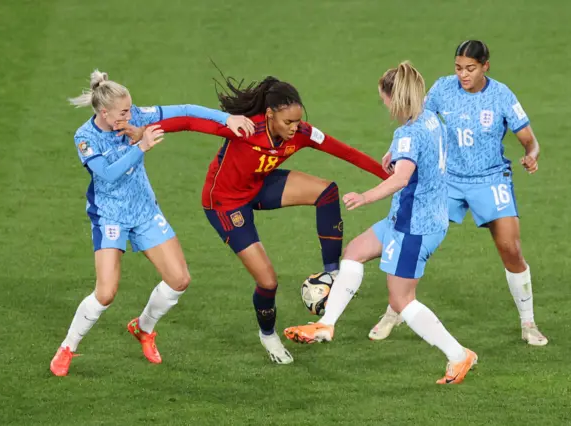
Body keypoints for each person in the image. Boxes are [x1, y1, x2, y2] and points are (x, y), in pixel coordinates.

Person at [120, 75, 390, 364]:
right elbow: (188, 122)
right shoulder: (246, 129)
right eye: (288, 122)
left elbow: (346, 152)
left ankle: (332, 273)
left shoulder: (301, 134)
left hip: (259, 186)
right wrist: (143, 131)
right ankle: (268, 335)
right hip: (224, 203)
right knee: (268, 282)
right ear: (270, 115)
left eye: (298, 121)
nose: (294, 128)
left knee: (327, 192)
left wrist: (392, 179)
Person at [284, 61, 478, 385]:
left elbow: (400, 179)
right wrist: (394, 151)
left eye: (384, 98)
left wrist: (365, 197)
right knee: (355, 252)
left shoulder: (408, 133)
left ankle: (459, 355)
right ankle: (327, 324)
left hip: (414, 228)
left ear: (395, 97)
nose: (384, 104)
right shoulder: (429, 119)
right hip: (412, 218)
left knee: (402, 301)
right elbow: (409, 157)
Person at [49, 70, 254, 376]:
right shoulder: (85, 138)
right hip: (111, 217)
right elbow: (107, 174)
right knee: (105, 293)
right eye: (123, 112)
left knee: (179, 280)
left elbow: (185, 112)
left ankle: (143, 328)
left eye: (130, 109)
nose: (129, 116)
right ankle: (67, 347)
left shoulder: (137, 117)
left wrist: (227, 119)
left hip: (144, 211)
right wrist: (141, 146)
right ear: (104, 113)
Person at [370, 40, 548, 346]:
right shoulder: (442, 89)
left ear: (485, 67)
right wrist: (394, 149)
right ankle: (395, 308)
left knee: (511, 248)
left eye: (470, 68)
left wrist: (531, 154)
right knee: (412, 235)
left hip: (490, 179)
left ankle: (528, 322)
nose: (463, 74)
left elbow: (530, 140)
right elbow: (415, 118)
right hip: (446, 180)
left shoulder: (502, 96)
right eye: (458, 68)